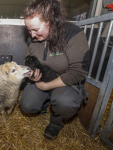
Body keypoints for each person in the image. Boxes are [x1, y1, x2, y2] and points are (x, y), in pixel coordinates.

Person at [19, 0, 90, 140]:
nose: (32, 35)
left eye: (35, 30)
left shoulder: (73, 34)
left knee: (66, 103)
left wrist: (46, 86)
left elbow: (78, 72)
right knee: (27, 105)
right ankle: (45, 104)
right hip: (43, 79)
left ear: (51, 21)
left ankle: (55, 124)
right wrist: (33, 75)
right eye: (29, 30)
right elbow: (29, 61)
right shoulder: (32, 40)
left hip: (65, 81)